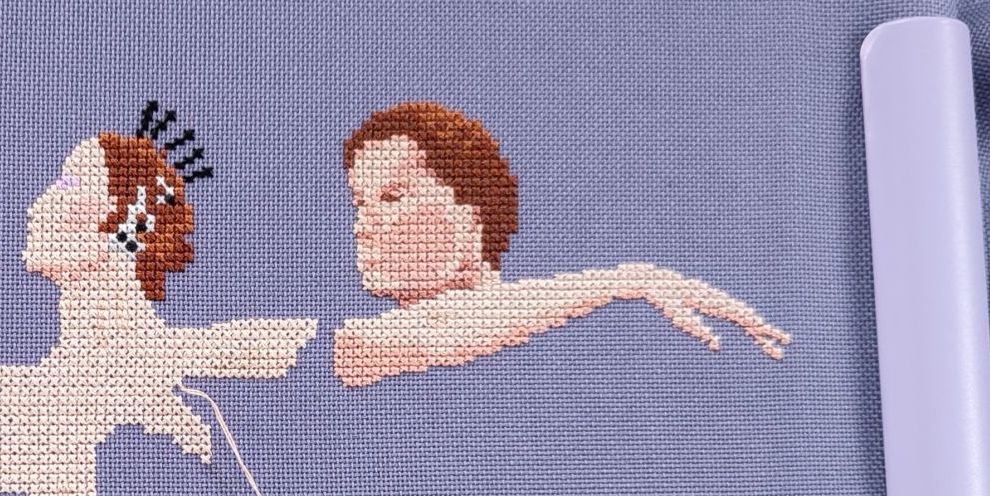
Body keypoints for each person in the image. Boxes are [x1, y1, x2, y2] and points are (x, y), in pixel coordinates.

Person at [0, 108, 316, 496]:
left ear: (133, 222)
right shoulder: (39, 389)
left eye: (69, 185)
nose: (41, 203)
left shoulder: (147, 387)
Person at [331, 102, 787, 388]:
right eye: (360, 204)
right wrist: (623, 281)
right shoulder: (355, 349)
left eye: (393, 197)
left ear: (472, 211)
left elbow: (453, 323)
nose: (364, 225)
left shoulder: (596, 347)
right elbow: (418, 333)